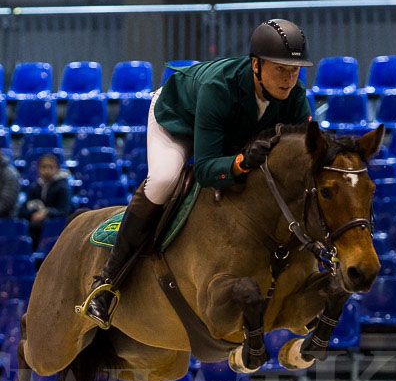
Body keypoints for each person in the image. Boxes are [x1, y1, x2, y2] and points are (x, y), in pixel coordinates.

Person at [77, 19, 315, 328]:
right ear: (256, 65)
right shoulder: (220, 88)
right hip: (178, 119)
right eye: (280, 69)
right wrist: (240, 163)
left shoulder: (295, 96)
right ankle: (106, 283)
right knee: (163, 180)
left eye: (294, 71)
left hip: (227, 130)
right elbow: (204, 168)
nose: (288, 79)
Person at [19, 153, 72, 247]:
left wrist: (46, 213)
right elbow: (23, 209)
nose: (47, 170)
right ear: (38, 169)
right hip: (35, 227)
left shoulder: (63, 187)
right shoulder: (34, 187)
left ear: (57, 169)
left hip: (56, 229)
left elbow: (65, 211)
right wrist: (33, 214)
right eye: (43, 167)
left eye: (51, 167)